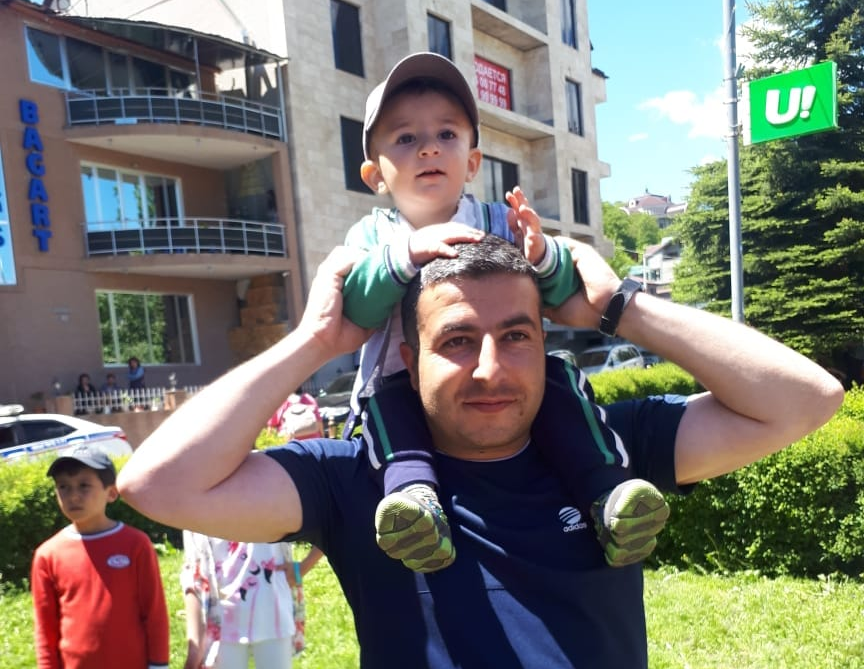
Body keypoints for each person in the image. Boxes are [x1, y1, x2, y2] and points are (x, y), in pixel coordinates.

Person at [117, 237, 843, 668]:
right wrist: (316, 340)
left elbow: (807, 399)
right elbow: (157, 483)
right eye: (458, 340)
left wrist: (621, 306)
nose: (491, 368)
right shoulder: (358, 478)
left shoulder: (611, 447)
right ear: (410, 359)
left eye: (516, 336)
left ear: (546, 344)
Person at [339, 51, 665, 573]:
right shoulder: (372, 236)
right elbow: (356, 306)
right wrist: (405, 255)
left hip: (505, 377)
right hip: (405, 382)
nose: (428, 147)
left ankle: (608, 494)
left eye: (446, 134)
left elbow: (557, 294)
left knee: (558, 381)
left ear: (473, 162)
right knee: (388, 410)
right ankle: (416, 505)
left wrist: (542, 253)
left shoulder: (500, 220)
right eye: (405, 137)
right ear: (374, 174)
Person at [32, 443, 169, 669]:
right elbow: (45, 628)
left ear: (111, 492)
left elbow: (154, 611)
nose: (73, 496)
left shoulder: (135, 544)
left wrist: (159, 664)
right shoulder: (48, 555)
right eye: (63, 487)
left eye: (84, 486)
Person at [181, 533, 323, 669]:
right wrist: (195, 642)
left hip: (273, 609)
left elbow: (331, 521)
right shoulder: (198, 513)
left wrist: (303, 567)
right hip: (220, 620)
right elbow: (194, 570)